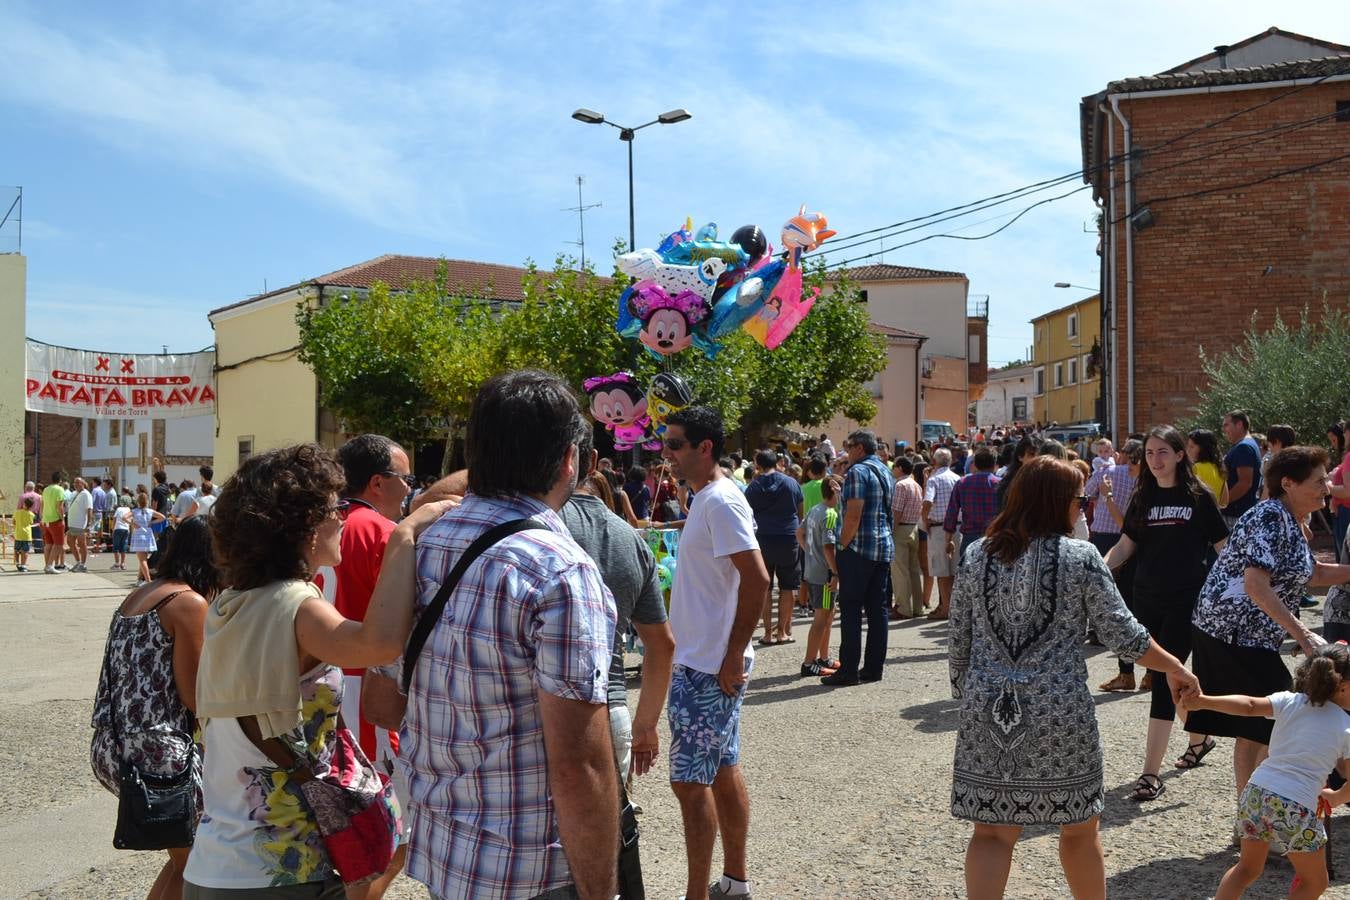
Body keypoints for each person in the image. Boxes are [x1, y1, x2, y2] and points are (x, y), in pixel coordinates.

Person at [403, 371, 618, 900]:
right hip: (528, 871)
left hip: (446, 854)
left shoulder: (424, 543)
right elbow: (579, 764)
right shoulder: (560, 571)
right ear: (571, 459)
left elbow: (388, 702)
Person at [950, 456, 1200, 900]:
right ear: (1055, 502)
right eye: (1079, 498)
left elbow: (960, 641)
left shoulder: (976, 554)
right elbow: (1124, 635)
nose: (1084, 507)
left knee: (991, 832)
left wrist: (965, 696)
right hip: (1060, 711)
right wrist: (1177, 667)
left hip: (987, 709)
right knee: (1080, 830)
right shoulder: (1080, 557)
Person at [186, 443, 426, 899]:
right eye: (333, 508)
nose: (342, 517)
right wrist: (404, 536)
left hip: (216, 861)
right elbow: (379, 644)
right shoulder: (296, 605)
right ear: (303, 524)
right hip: (282, 869)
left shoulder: (229, 603)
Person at [1188, 446, 1350, 800]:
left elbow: (1314, 573)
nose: (1327, 486)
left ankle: (1254, 817)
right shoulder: (1269, 517)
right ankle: (1257, 818)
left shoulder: (1292, 520)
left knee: (1265, 724)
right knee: (1279, 718)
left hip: (1251, 637)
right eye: (1319, 480)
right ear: (1288, 483)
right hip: (1229, 632)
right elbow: (1255, 585)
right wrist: (1303, 634)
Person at [661, 405, 768, 900]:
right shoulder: (709, 498)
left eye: (675, 444)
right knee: (721, 772)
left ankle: (697, 894)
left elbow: (758, 578)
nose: (666, 454)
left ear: (705, 448)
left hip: (708, 665)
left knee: (689, 783)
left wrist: (733, 652)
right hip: (704, 660)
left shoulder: (720, 501)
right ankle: (734, 883)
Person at [91, 516, 217, 900]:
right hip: (159, 754)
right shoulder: (188, 603)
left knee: (184, 858)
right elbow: (195, 697)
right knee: (197, 861)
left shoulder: (143, 593)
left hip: (113, 746)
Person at [1102, 426, 1229, 801]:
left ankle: (1149, 775)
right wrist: (1096, 571)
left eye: (1162, 452)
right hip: (1145, 599)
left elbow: (1225, 548)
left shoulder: (1198, 497)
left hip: (1186, 600)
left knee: (1162, 678)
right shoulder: (1142, 496)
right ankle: (1200, 736)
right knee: (1167, 675)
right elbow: (1126, 545)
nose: (1155, 460)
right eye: (1149, 454)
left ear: (1178, 455)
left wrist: (1238, 592)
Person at [1181, 644, 1350, 899]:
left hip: (1257, 793)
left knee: (1246, 868)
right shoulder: (1345, 726)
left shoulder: (1289, 701)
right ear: (1343, 686)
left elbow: (1248, 705)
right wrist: (1337, 796)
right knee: (1314, 881)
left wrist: (1202, 702)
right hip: (1297, 806)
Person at [561, 431, 675, 787]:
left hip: (546, 715)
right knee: (612, 837)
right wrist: (646, 725)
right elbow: (662, 644)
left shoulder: (533, 524)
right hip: (613, 708)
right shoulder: (630, 540)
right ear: (591, 461)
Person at [822, 430, 894, 686]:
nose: (846, 451)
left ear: (860, 448)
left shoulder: (857, 472)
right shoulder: (884, 470)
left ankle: (848, 670)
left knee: (851, 610)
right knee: (877, 610)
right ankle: (874, 669)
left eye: (848, 446)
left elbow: (854, 514)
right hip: (882, 546)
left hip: (859, 548)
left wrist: (841, 545)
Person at [1085, 439, 1144, 692]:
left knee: (1111, 597)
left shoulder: (1105, 474)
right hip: (1138, 547)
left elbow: (1088, 494)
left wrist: (1108, 496)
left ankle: (1123, 667)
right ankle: (1148, 673)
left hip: (1111, 537)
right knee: (1136, 603)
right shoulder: (1150, 484)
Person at [744, 449, 804, 647]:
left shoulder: (753, 487)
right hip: (788, 536)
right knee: (788, 586)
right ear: (778, 462)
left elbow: (747, 515)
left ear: (757, 464)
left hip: (763, 538)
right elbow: (800, 510)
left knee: (766, 586)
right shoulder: (791, 482)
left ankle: (768, 632)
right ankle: (783, 632)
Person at [797, 475, 843, 676]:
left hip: (814, 569)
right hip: (824, 573)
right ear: (834, 491)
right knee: (822, 617)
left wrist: (809, 552)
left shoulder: (815, 509)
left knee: (828, 614)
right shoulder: (830, 514)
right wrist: (835, 572)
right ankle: (809, 663)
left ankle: (823, 657)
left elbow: (799, 532)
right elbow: (828, 546)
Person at [921, 447, 961, 620]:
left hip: (939, 528)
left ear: (934, 462)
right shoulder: (958, 479)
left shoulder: (933, 480)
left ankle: (946, 608)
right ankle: (953, 607)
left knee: (943, 571)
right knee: (955, 570)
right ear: (950, 461)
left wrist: (925, 519)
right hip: (958, 527)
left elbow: (928, 501)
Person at [943, 447, 1000, 560]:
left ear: (975, 465)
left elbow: (952, 512)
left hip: (970, 539)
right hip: (995, 538)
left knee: (968, 576)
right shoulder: (1001, 484)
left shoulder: (962, 483)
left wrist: (948, 539)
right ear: (994, 465)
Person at [889, 456, 925, 619]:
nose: (893, 469)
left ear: (901, 468)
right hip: (914, 528)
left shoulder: (900, 485)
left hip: (901, 529)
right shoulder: (916, 484)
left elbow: (896, 511)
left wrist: (891, 531)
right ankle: (918, 607)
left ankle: (903, 608)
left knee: (900, 571)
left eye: (895, 466)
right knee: (913, 570)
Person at [1221, 410, 1263, 528]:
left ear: (1239, 424)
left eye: (1226, 425)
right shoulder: (1246, 445)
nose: (1224, 429)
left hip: (1236, 515)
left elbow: (1245, 483)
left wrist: (1223, 502)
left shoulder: (1244, 447)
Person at [129, 492, 166, 586]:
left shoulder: (134, 511)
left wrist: (132, 523)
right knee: (144, 559)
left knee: (142, 560)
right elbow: (163, 517)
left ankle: (148, 580)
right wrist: (152, 522)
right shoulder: (150, 511)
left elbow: (124, 517)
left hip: (139, 535)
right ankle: (139, 579)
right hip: (148, 535)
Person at [1188, 429, 1230, 506]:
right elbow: (1225, 501)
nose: (1188, 450)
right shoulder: (1219, 468)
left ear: (1203, 448)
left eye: (1192, 447)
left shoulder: (1196, 468)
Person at [41, 472, 67, 573]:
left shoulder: (46, 489)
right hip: (55, 520)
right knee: (58, 544)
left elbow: (42, 504)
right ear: (60, 480)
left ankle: (47, 565)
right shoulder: (60, 489)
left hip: (46, 519)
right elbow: (59, 506)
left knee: (48, 544)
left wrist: (42, 517)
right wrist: (62, 518)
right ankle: (50, 565)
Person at [111, 492, 132, 571]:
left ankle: (117, 564)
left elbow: (115, 519)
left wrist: (113, 529)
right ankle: (123, 564)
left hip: (118, 528)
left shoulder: (119, 509)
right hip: (126, 529)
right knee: (123, 547)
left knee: (116, 547)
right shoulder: (129, 509)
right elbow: (130, 520)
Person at [14, 495, 35, 572]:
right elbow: (30, 523)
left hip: (18, 534)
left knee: (16, 550)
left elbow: (14, 522)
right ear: (31, 506)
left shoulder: (17, 512)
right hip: (27, 535)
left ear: (24, 504)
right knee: (25, 551)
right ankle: (23, 565)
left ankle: (17, 563)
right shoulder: (31, 514)